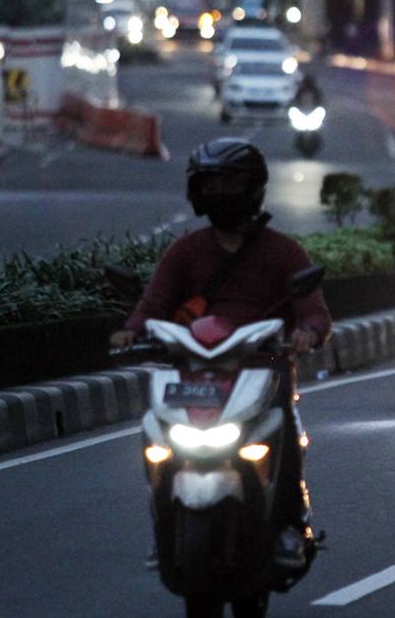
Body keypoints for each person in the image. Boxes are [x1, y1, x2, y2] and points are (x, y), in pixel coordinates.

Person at [109, 138, 331, 569]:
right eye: (211, 184)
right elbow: (152, 304)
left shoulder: (284, 252)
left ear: (253, 187)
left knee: (286, 435)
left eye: (230, 183)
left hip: (263, 372)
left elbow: (314, 311)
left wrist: (307, 332)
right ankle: (164, 524)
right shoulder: (185, 252)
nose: (220, 193)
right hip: (192, 372)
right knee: (158, 437)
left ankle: (289, 526)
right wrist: (130, 331)